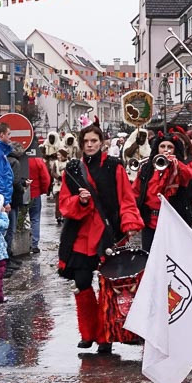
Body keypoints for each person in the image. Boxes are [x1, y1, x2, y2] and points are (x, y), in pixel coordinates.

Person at [58, 124, 143, 355]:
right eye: (86, 141)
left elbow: (126, 197)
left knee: (108, 287)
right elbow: (65, 203)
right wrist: (81, 202)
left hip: (108, 233)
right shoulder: (73, 169)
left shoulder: (114, 166)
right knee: (83, 282)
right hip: (81, 234)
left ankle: (106, 335)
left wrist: (130, 224)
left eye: (94, 141)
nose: (90, 145)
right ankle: (89, 333)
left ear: (102, 142)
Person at [131, 131, 192, 251]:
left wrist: (175, 163)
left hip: (173, 222)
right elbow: (135, 191)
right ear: (157, 149)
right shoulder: (146, 169)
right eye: (162, 146)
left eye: (170, 147)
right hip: (150, 221)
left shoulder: (179, 167)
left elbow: (189, 175)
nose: (166, 150)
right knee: (149, 255)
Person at [27, 148, 52, 254]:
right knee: (35, 219)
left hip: (20, 192)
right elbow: (45, 177)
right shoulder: (37, 160)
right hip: (35, 192)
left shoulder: (18, 158)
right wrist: (44, 190)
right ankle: (34, 244)